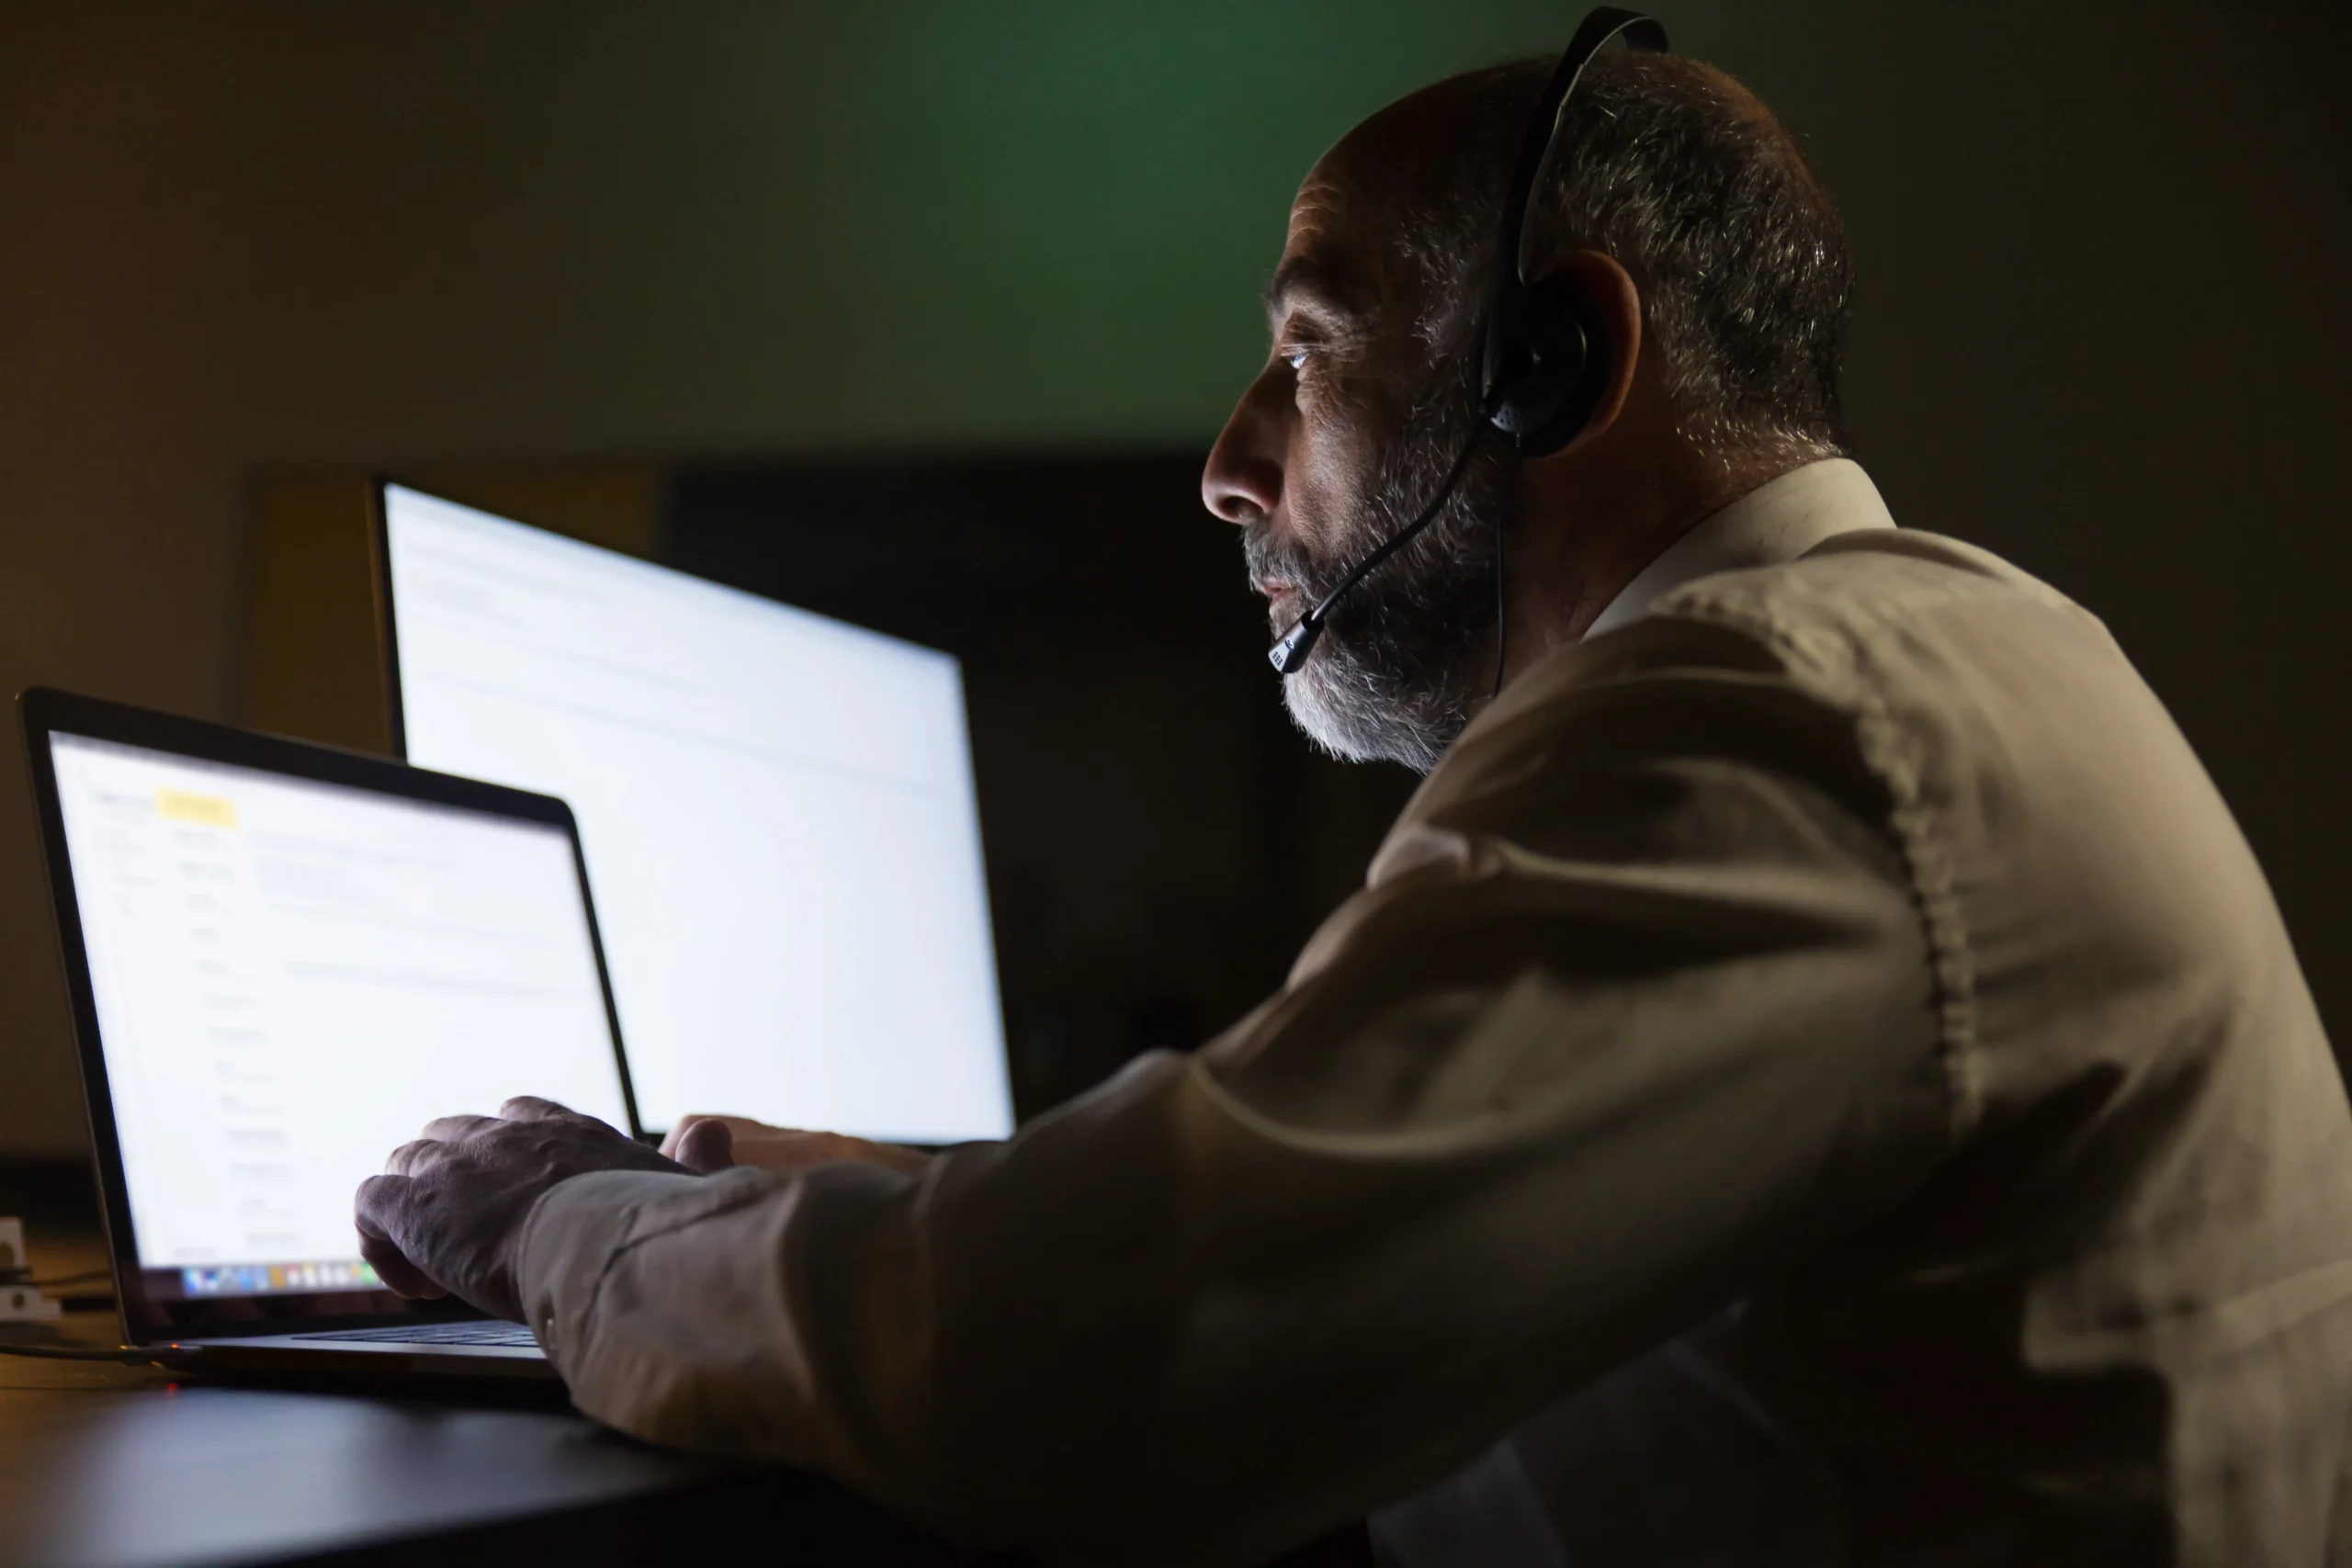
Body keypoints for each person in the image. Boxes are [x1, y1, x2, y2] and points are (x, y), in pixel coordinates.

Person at [354, 42, 2352, 1568]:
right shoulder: (1963, 655)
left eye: (1302, 353)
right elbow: (1375, 1250)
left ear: (1552, 365)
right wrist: (891, 1197)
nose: (1228, 467)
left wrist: (562, 1215)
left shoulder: (1762, 719)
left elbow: (1133, 1369)